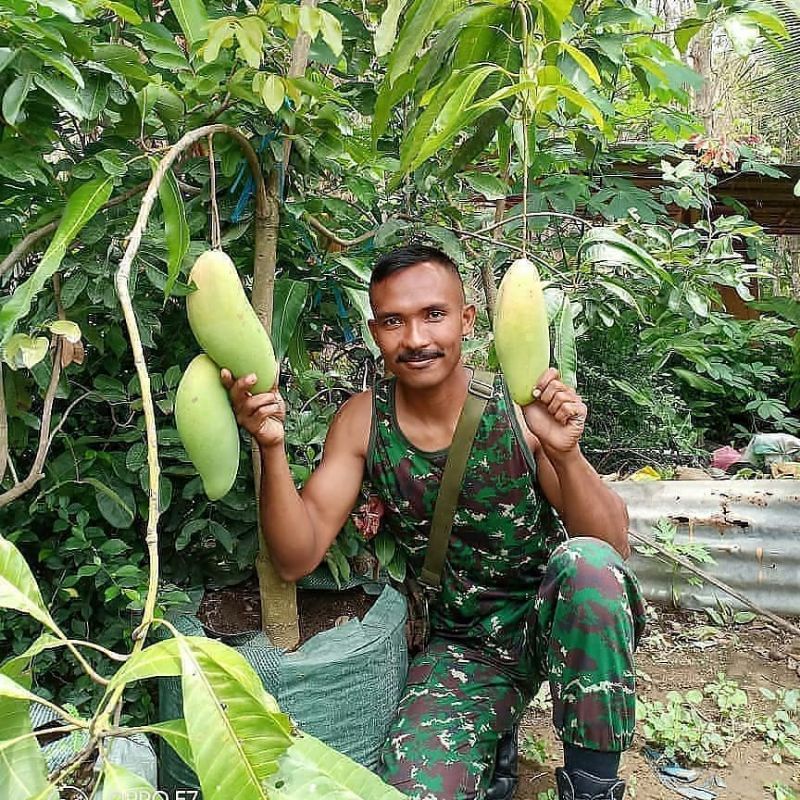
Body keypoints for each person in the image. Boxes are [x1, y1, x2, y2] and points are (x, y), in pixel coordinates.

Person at [221, 244, 646, 800]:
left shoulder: (518, 407)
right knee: (417, 788)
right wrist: (271, 449)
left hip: (552, 620)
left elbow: (610, 549)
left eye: (434, 315)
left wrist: (564, 453)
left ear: (467, 321)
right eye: (394, 321)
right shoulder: (361, 422)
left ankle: (591, 787)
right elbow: (296, 557)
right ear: (375, 331)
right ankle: (495, 737)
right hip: (463, 646)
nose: (416, 339)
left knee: (585, 565)